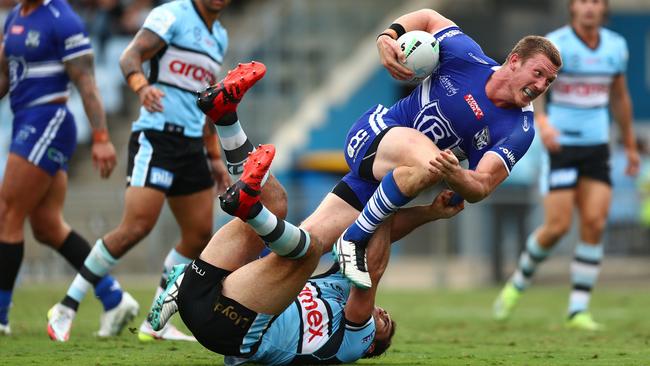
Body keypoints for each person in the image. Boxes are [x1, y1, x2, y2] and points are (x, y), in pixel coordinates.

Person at [147, 142, 464, 365]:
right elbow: (376, 237)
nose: (383, 316)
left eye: (385, 327)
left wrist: (387, 198)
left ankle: (249, 211)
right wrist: (429, 213)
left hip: (231, 329)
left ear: (370, 347)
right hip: (207, 293)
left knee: (310, 248)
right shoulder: (339, 286)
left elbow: (371, 273)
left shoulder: (354, 343)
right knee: (278, 206)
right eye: (387, 316)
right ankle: (224, 114)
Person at [46, 0, 241, 342]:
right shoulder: (173, 14)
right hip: (156, 136)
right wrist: (141, 87)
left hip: (192, 144)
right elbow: (129, 57)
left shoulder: (219, 37)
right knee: (136, 226)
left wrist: (213, 158)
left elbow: (207, 99)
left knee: (198, 236)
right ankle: (66, 306)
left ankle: (156, 321)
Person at [329, 9, 562, 288]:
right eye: (537, 74)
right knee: (431, 165)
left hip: (394, 179)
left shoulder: (520, 129)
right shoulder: (466, 56)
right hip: (373, 135)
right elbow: (428, 17)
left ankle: (269, 240)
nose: (540, 85)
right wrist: (387, 38)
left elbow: (481, 185)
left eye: (548, 81)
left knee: (309, 250)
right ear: (514, 61)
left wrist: (455, 175)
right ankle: (353, 238)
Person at [493, 0, 639, 331]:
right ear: (573, 8)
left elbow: (620, 96)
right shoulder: (556, 43)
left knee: (595, 222)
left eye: (596, 2)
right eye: (583, 1)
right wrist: (542, 122)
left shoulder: (616, 46)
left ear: (603, 9)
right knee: (557, 227)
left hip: (597, 146)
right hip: (562, 146)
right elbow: (538, 86)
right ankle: (517, 283)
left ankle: (578, 309)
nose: (589, 8)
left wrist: (630, 146)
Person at [0, 0, 132, 337]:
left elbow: (86, 81)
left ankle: (0, 315)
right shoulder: (15, 16)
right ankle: (113, 297)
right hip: (25, 119)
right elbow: (6, 75)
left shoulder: (62, 19)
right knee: (46, 226)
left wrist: (101, 136)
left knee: (6, 213)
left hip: (49, 118)